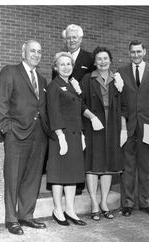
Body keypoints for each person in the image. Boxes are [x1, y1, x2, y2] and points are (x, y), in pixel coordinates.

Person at [0, 40, 52, 235]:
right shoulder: (10, 72)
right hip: (16, 134)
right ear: (23, 52)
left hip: (39, 136)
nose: (36, 54)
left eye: (39, 51)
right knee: (13, 177)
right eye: (32, 51)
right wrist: (7, 128)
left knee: (32, 177)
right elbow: (0, 101)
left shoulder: (42, 80)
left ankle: (26, 215)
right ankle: (11, 219)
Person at [118, 40, 149, 217]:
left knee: (147, 166)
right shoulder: (121, 72)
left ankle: (146, 203)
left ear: (144, 51)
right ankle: (128, 203)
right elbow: (121, 101)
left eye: (138, 51)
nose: (135, 55)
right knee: (127, 166)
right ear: (129, 53)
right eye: (132, 52)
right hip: (128, 127)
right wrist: (122, 123)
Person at [80, 47, 127, 221]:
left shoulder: (117, 80)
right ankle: (94, 203)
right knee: (92, 165)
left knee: (108, 166)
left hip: (112, 127)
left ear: (110, 60)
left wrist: (122, 128)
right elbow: (80, 103)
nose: (102, 62)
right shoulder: (87, 79)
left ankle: (104, 203)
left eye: (105, 58)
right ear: (95, 62)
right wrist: (91, 118)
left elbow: (124, 106)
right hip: (93, 127)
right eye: (99, 59)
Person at [52, 24, 95, 195]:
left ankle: (78, 184)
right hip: (66, 112)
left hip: (83, 110)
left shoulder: (90, 58)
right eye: (68, 38)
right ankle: (67, 182)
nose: (71, 40)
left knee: (80, 149)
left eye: (74, 37)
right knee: (66, 150)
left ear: (81, 39)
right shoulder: (59, 60)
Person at [46, 52, 87, 226]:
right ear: (56, 67)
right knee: (59, 174)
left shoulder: (72, 84)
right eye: (62, 64)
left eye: (68, 64)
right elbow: (53, 112)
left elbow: (77, 112)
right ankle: (57, 209)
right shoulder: (54, 86)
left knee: (72, 174)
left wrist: (82, 133)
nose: (66, 67)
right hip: (60, 136)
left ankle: (70, 210)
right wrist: (61, 136)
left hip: (75, 135)